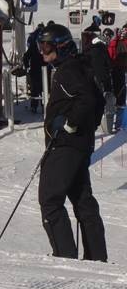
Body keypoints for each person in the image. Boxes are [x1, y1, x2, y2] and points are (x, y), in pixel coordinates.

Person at [35, 23, 107, 261]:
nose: (42, 52)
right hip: (77, 145)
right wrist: (85, 129)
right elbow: (98, 100)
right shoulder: (78, 67)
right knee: (82, 199)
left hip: (66, 146)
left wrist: (70, 124)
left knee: (50, 199)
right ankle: (97, 257)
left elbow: (87, 100)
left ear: (63, 46)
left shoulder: (68, 71)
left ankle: (64, 256)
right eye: (40, 46)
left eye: (47, 46)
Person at [23, 23, 46, 114]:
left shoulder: (36, 45)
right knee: (39, 89)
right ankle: (39, 106)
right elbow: (26, 57)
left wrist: (27, 66)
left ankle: (40, 106)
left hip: (39, 69)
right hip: (37, 69)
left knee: (38, 89)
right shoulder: (36, 46)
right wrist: (27, 67)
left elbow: (26, 56)